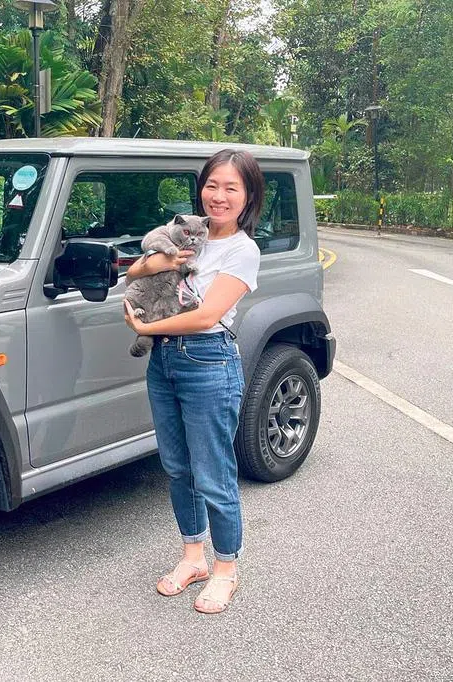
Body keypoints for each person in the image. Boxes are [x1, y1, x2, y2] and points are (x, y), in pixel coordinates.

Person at [124, 149, 263, 614]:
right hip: (164, 359)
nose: (218, 196)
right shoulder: (186, 233)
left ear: (247, 196)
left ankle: (226, 568)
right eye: (212, 185)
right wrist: (156, 265)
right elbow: (134, 269)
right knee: (177, 467)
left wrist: (144, 328)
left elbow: (206, 316)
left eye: (231, 188)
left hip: (207, 360)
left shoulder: (243, 250)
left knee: (213, 472)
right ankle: (193, 557)